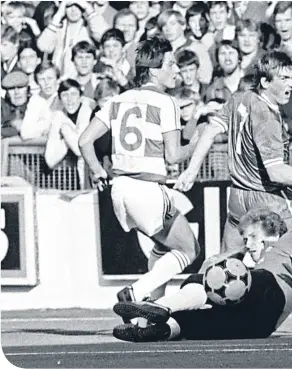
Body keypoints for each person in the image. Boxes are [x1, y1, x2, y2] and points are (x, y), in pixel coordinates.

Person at [174, 51, 292, 334]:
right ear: (265, 81)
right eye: (284, 78)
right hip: (269, 200)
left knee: (225, 260)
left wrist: (191, 170)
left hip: (238, 197)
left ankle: (177, 305)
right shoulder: (268, 118)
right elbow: (276, 173)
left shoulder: (240, 98)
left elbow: (210, 131)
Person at [78, 37, 201, 320]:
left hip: (119, 189)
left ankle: (148, 315)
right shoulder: (166, 102)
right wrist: (198, 139)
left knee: (162, 247)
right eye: (170, 64)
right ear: (155, 70)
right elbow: (173, 156)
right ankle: (137, 293)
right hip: (147, 189)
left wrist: (98, 170)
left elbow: (85, 140)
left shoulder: (116, 101)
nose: (176, 70)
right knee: (188, 249)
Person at [112, 207, 292, 342]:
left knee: (213, 279)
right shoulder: (248, 260)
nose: (249, 244)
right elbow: (211, 265)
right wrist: (230, 254)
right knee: (191, 323)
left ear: (271, 230)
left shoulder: (289, 242)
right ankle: (150, 329)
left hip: (269, 290)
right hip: (255, 326)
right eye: (246, 239)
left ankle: (158, 306)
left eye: (253, 237)